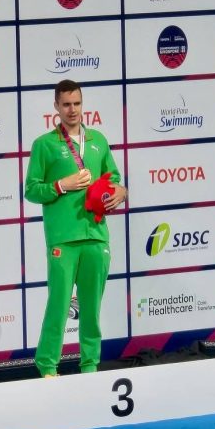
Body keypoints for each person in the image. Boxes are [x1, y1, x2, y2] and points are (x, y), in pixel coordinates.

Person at [25, 79, 127, 377]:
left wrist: (121, 192)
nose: (72, 110)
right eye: (66, 104)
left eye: (77, 103)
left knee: (91, 308)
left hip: (96, 235)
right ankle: (47, 366)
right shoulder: (44, 144)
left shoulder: (98, 140)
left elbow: (114, 179)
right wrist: (61, 185)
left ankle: (90, 366)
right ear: (56, 107)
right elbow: (31, 190)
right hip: (63, 238)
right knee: (59, 306)